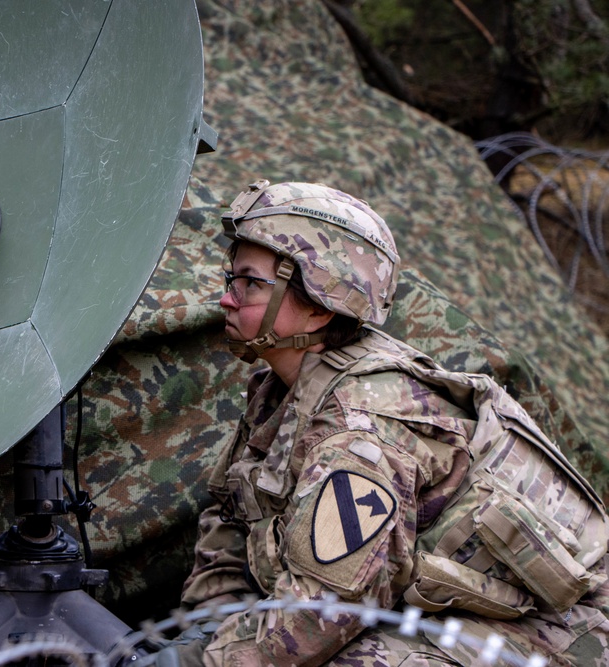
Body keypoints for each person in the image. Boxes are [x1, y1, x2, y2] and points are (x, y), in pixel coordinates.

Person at [170, 180, 609, 666]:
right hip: (446, 607)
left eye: (251, 283)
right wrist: (201, 633)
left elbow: (322, 615)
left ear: (317, 307)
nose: (227, 298)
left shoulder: (363, 428)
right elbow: (232, 519)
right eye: (232, 277)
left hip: (563, 632)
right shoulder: (282, 388)